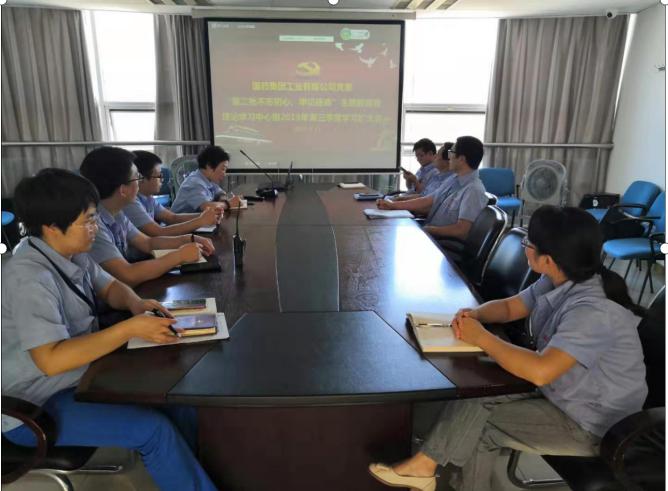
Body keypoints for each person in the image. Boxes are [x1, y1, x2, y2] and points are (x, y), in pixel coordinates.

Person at [369, 206, 648, 491]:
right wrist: (475, 315)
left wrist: (482, 338)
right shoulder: (558, 280)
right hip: (565, 393)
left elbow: (541, 371)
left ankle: (426, 469)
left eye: (529, 242)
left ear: (548, 259)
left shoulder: (593, 311)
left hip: (593, 423)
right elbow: (511, 307)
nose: (525, 246)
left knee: (479, 427)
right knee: (480, 393)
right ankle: (424, 466)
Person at [1, 169, 217, 491]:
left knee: (178, 396)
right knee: (153, 430)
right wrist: (129, 329)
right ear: (51, 227)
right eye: (88, 220)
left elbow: (112, 287)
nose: (96, 227)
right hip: (34, 405)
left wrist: (135, 304)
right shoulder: (29, 278)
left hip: (79, 376)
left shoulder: (69, 253)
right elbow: (50, 360)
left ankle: (186, 469)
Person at [80, 146, 215, 287]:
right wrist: (180, 256)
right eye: (137, 178)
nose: (139, 182)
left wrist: (189, 239)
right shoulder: (92, 225)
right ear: (123, 190)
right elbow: (128, 274)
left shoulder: (117, 213)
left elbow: (148, 243)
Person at [378, 136, 488, 240]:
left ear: (462, 159)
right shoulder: (453, 179)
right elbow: (427, 200)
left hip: (442, 243)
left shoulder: (474, 190)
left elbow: (461, 231)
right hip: (431, 234)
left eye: (451, 152)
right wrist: (392, 205)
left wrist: (428, 230)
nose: (449, 156)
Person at [124, 150, 221, 237]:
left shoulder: (148, 198)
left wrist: (208, 215)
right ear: (141, 178)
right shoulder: (131, 202)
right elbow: (159, 232)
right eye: (159, 176)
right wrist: (200, 220)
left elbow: (172, 218)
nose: (162, 179)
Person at [171, 145, 242, 214]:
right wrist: (228, 204)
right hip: (182, 222)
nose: (224, 174)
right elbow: (207, 207)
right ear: (209, 166)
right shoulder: (194, 183)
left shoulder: (207, 179)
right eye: (223, 169)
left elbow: (220, 193)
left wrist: (223, 199)